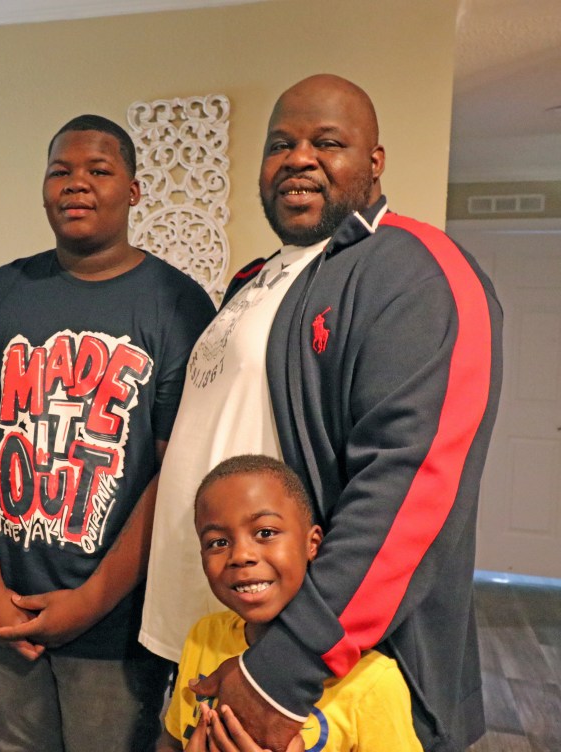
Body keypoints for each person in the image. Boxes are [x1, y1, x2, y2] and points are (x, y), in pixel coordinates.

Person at [140, 74, 503, 752]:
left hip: (319, 674)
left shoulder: (415, 270)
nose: (299, 158)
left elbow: (410, 489)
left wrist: (285, 670)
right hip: (210, 636)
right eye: (281, 144)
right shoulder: (255, 280)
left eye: (327, 142)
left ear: (375, 161)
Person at [0, 114, 216, 751]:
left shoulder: (178, 303)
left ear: (134, 190)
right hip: (7, 607)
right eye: (60, 171)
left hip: (116, 620)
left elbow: (175, 471)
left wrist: (91, 600)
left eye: (99, 170)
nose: (76, 183)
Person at [158, 454, 422, 752]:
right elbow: (172, 740)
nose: (241, 556)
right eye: (218, 542)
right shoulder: (204, 637)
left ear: (312, 544)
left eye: (265, 533)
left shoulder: (373, 681)